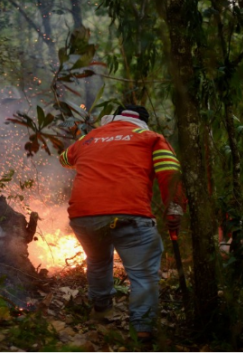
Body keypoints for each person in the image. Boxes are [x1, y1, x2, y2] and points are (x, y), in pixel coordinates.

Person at [58, 104, 186, 340]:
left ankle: (101, 311)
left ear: (113, 118)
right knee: (142, 272)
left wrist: (95, 151)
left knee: (97, 261)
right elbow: (170, 171)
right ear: (143, 122)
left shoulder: (89, 138)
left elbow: (64, 159)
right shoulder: (151, 138)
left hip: (84, 216)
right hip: (131, 213)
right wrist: (174, 210)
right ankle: (143, 330)